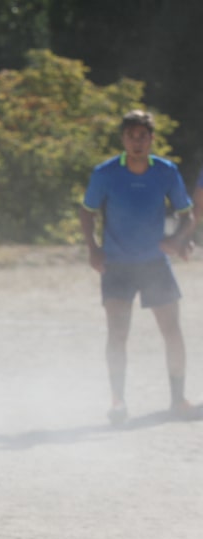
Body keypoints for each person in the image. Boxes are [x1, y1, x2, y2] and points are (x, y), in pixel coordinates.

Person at [79, 110, 195, 424]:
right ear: (123, 139)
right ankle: (118, 401)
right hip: (117, 265)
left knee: (172, 331)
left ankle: (179, 400)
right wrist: (94, 249)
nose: (137, 142)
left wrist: (179, 239)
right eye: (131, 136)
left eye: (143, 136)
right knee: (118, 333)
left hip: (155, 263)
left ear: (151, 139)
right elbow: (87, 212)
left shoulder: (166, 171)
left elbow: (188, 214)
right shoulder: (105, 173)